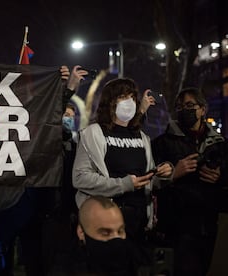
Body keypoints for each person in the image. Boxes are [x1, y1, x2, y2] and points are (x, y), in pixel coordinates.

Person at [0, 65, 87, 276]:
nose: (66, 119)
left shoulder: (70, 143)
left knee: (37, 259)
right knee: (3, 255)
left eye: (69, 115)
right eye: (63, 114)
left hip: (44, 207)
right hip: (12, 201)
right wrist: (65, 89)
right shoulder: (21, 130)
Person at [72, 78, 173, 247]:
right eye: (123, 97)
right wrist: (123, 184)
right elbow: (80, 178)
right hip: (106, 222)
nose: (129, 102)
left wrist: (163, 174)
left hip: (139, 222)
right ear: (109, 102)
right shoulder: (93, 134)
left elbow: (149, 181)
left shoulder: (143, 138)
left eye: (132, 98)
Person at [151, 87, 228, 276]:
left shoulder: (220, 144)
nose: (184, 110)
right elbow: (151, 181)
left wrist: (220, 176)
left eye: (190, 105)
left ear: (203, 109)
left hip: (211, 225)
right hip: (178, 227)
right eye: (180, 107)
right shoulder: (162, 143)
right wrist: (174, 173)